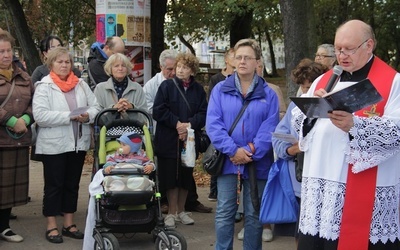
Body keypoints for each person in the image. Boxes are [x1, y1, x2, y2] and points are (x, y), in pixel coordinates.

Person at [295, 19, 400, 249]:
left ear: (369, 45)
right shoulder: (324, 80)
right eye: (338, 49)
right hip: (321, 190)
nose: (341, 55)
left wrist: (356, 126)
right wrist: (313, 110)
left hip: (361, 193)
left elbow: (397, 131)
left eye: (348, 49)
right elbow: (297, 120)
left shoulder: (392, 82)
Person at [206, 38, 279, 250]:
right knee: (224, 212)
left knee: (254, 213)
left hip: (258, 163)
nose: (242, 61)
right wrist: (233, 150)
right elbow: (213, 124)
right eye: (239, 57)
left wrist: (249, 151)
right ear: (232, 60)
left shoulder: (269, 94)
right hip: (228, 161)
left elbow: (270, 128)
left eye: (248, 57)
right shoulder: (220, 89)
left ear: (258, 62)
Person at [32, 47, 101, 244]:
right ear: (51, 64)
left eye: (67, 62)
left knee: (72, 184)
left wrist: (87, 115)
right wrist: (69, 116)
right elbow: (41, 116)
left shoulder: (80, 84)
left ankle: (69, 224)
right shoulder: (44, 86)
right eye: (60, 62)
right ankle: (52, 225)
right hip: (54, 145)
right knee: (54, 185)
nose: (64, 65)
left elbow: (96, 107)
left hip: (78, 143)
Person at [144, 49, 212, 214]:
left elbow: (204, 113)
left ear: (192, 71)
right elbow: (158, 110)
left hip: (189, 140)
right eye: (178, 66)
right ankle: (172, 211)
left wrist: (189, 125)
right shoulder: (166, 86)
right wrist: (176, 124)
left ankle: (181, 211)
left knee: (185, 176)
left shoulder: (198, 90)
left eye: (185, 67)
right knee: (170, 177)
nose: (180, 70)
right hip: (168, 139)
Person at [272, 59, 328, 247]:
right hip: (298, 183)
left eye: (310, 86)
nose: (306, 91)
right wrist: (291, 149)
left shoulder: (333, 107)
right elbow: (278, 137)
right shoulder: (296, 107)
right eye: (303, 87)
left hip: (325, 183)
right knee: (301, 236)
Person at [236, 56, 287, 242]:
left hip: (263, 149)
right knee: (243, 190)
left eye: (258, 67)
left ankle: (266, 224)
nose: (254, 70)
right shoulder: (236, 88)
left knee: (261, 188)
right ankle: (246, 225)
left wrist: (258, 143)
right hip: (240, 149)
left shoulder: (272, 90)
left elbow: (281, 114)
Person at [0, 30, 34, 243]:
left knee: (10, 185)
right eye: (1, 51)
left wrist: (27, 121)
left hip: (17, 140)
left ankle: (4, 227)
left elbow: (34, 101)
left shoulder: (23, 75)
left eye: (8, 50)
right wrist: (12, 121)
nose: (5, 55)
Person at [207, 48, 235, 202]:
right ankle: (214, 189)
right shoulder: (216, 80)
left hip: (233, 123)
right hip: (220, 123)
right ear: (226, 59)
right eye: (233, 56)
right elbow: (211, 101)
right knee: (217, 155)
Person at [93, 52, 147, 123]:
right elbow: (97, 119)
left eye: (123, 66)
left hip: (133, 132)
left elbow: (145, 119)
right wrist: (113, 109)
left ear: (127, 69)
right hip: (107, 132)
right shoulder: (100, 88)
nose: (120, 68)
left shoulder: (137, 88)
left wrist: (132, 108)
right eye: (116, 66)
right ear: (110, 69)